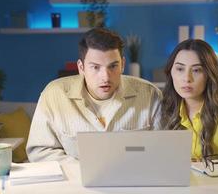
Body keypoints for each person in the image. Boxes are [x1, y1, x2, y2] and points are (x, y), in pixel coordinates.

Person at [26, 28, 162, 162]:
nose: (105, 77)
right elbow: (39, 151)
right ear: (81, 68)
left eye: (113, 66)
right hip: (73, 182)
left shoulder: (150, 94)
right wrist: (83, 169)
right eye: (95, 67)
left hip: (135, 181)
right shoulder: (53, 95)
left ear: (123, 65)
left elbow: (163, 150)